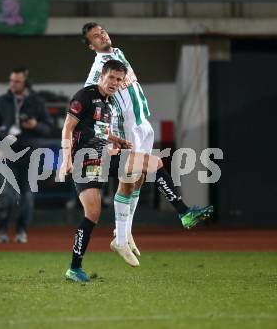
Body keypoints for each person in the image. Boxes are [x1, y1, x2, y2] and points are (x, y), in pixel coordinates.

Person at [60, 60, 213, 282]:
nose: (114, 82)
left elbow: (95, 130)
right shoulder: (85, 96)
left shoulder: (109, 104)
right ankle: (75, 267)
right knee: (92, 215)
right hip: (85, 160)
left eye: (119, 80)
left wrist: (115, 139)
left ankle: (184, 213)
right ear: (102, 76)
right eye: (111, 77)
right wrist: (66, 160)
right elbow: (68, 128)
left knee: (153, 164)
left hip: (104, 157)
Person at [81, 22, 213, 265]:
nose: (102, 36)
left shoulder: (117, 53)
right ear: (91, 46)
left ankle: (125, 233)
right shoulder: (98, 69)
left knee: (138, 180)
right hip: (126, 128)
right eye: (96, 37)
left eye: (102, 32)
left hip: (142, 123)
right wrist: (103, 130)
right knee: (137, 175)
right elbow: (88, 98)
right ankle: (126, 235)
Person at [0, 67, 52, 244]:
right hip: (7, 154)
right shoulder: (2, 101)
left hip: (30, 155)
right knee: (7, 195)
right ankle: (1, 229)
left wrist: (35, 126)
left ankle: (21, 230)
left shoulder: (37, 102)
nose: (12, 84)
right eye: (11, 80)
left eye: (17, 81)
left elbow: (48, 127)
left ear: (26, 83)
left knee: (27, 196)